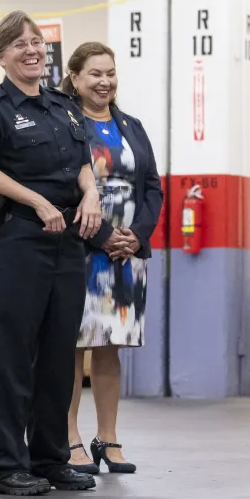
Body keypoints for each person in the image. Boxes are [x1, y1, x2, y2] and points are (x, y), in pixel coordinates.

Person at [0, 11, 110, 496]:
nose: (32, 50)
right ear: (1, 56)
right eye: (19, 44)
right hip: (18, 240)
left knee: (59, 354)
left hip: (66, 241)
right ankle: (2, 465)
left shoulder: (63, 106)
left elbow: (84, 162)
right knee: (12, 354)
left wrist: (91, 195)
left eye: (37, 43)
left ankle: (49, 458)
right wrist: (37, 200)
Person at [60, 41, 163, 475]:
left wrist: (135, 237)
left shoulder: (132, 126)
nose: (105, 82)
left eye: (111, 73)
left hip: (125, 256)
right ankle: (69, 440)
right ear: (76, 77)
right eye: (95, 74)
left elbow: (152, 188)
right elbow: (61, 186)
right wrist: (104, 236)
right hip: (80, 248)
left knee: (109, 350)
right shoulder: (63, 122)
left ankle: (109, 438)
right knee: (72, 349)